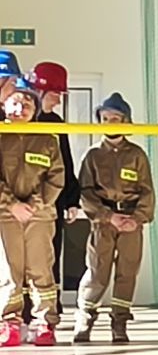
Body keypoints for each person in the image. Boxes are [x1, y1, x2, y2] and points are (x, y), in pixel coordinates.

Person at [73, 92, 153, 344]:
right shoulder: (93, 155)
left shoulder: (137, 155)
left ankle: (120, 320)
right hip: (104, 221)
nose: (110, 123)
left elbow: (147, 190)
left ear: (126, 121)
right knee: (98, 270)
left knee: (127, 271)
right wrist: (107, 216)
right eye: (105, 118)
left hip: (131, 222)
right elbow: (85, 191)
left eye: (115, 118)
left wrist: (137, 218)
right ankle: (85, 315)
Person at [0, 79, 65, 345]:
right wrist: (11, 204)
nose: (21, 107)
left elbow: (56, 178)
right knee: (8, 271)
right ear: (4, 105)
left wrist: (36, 205)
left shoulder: (47, 140)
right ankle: (9, 323)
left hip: (39, 217)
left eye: (28, 102)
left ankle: (44, 323)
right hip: (5, 216)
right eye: (16, 101)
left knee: (41, 269)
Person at [28, 62, 82, 304]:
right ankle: (19, 313)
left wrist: (71, 199)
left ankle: (49, 311)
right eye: (56, 95)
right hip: (16, 204)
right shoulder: (12, 122)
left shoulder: (55, 122)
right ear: (40, 91)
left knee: (50, 256)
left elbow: (65, 162)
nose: (58, 101)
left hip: (51, 205)